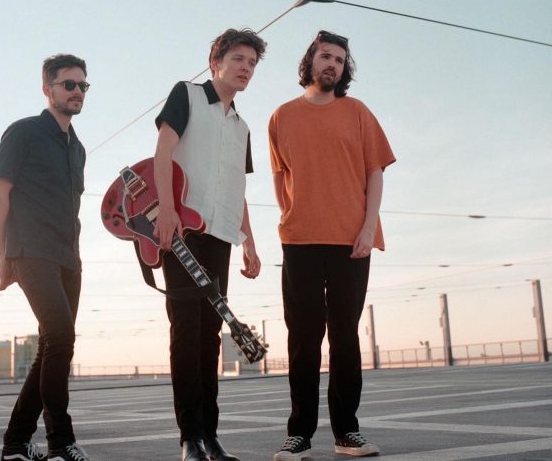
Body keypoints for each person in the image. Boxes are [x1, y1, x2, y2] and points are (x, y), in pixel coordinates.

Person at [268, 31, 395, 460]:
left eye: (340, 60)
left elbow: (375, 173)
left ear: (345, 69)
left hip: (350, 241)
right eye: (326, 56)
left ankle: (347, 432)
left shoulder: (357, 112)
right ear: (310, 61)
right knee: (303, 338)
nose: (333, 65)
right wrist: (290, 218)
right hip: (300, 240)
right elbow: (279, 177)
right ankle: (298, 434)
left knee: (344, 337)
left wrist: (367, 227)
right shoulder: (281, 116)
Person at [153, 28, 266, 461]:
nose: (246, 68)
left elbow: (237, 190)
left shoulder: (243, 127)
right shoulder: (186, 94)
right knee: (186, 332)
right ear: (215, 61)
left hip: (221, 236)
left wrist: (249, 242)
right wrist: (166, 210)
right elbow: (163, 152)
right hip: (181, 231)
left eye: (252, 64)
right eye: (238, 59)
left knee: (211, 337)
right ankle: (189, 439)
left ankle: (210, 436)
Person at [0, 54, 91, 461]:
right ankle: (61, 443)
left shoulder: (77, 148)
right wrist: (4, 256)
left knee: (52, 345)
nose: (77, 91)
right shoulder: (24, 133)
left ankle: (15, 444)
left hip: (69, 257)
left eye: (83, 85)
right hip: (31, 251)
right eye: (69, 84)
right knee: (62, 337)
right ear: (47, 89)